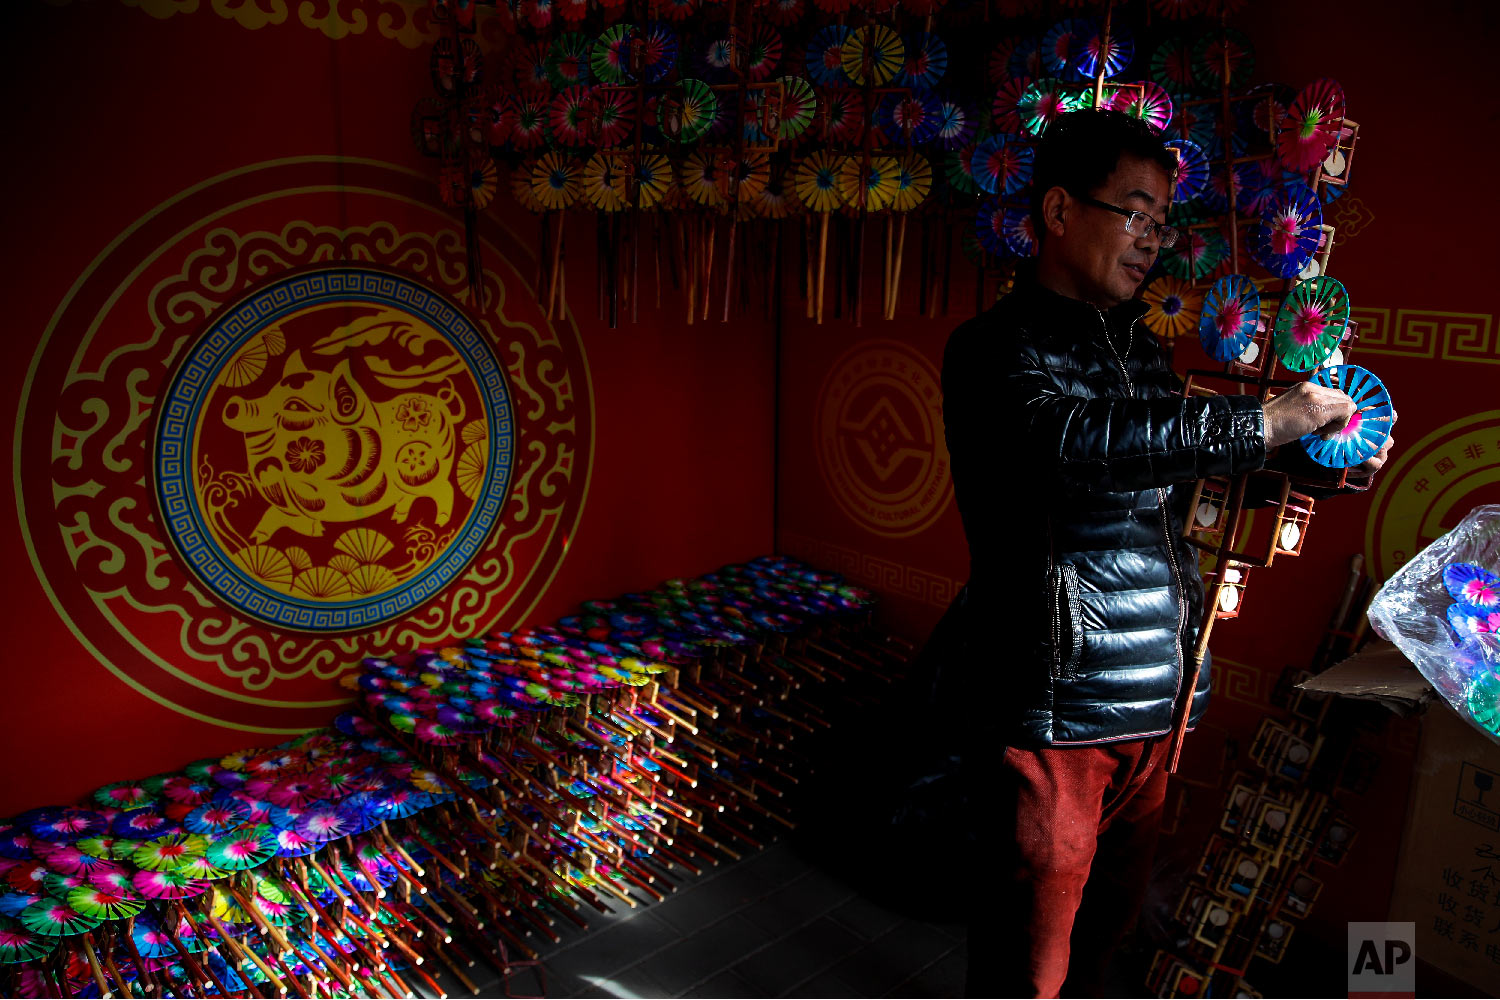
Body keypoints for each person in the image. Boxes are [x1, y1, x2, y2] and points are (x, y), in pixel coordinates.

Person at [934, 110, 1393, 998]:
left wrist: (1331, 458)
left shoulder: (1140, 350)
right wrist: (1260, 420)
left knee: (1106, 943)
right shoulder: (992, 351)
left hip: (1159, 703)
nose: (1152, 242)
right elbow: (1071, 442)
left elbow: (1183, 474)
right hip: (1056, 718)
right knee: (1027, 971)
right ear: (1061, 210)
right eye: (1136, 214)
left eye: (1162, 224)